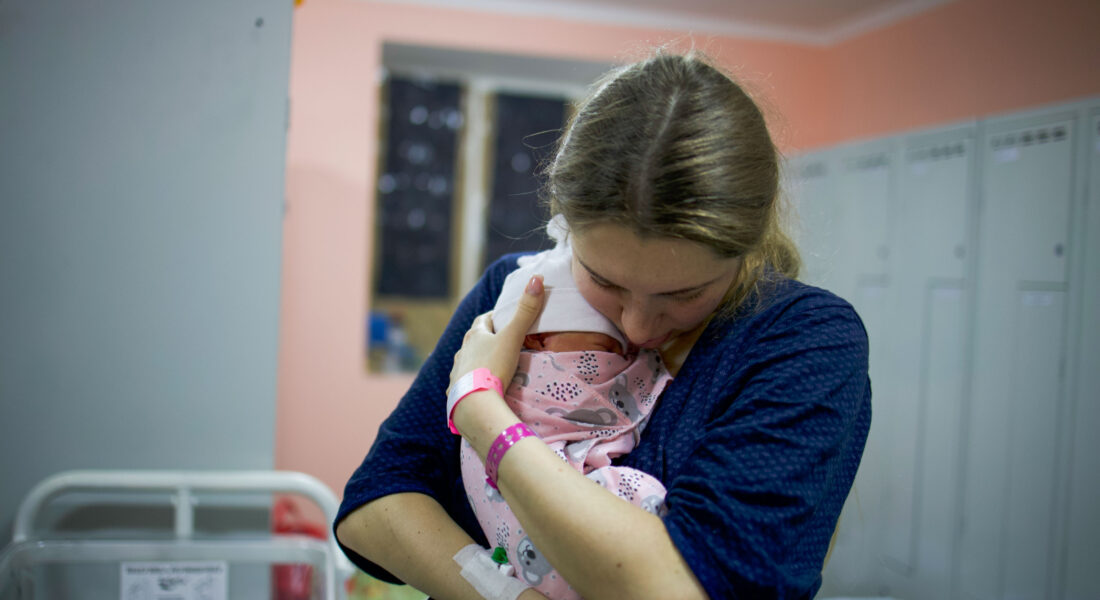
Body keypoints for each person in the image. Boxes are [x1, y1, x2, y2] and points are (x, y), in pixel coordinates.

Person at [335, 50, 872, 600]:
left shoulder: (805, 340)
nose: (638, 328)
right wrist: (503, 596)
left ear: (746, 248)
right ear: (565, 226)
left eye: (683, 294)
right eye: (604, 281)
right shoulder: (518, 291)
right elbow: (374, 505)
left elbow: (682, 588)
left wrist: (482, 414)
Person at [458, 215, 673, 600]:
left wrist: (473, 402)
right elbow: (376, 496)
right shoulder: (529, 374)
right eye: (604, 347)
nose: (628, 346)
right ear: (536, 342)